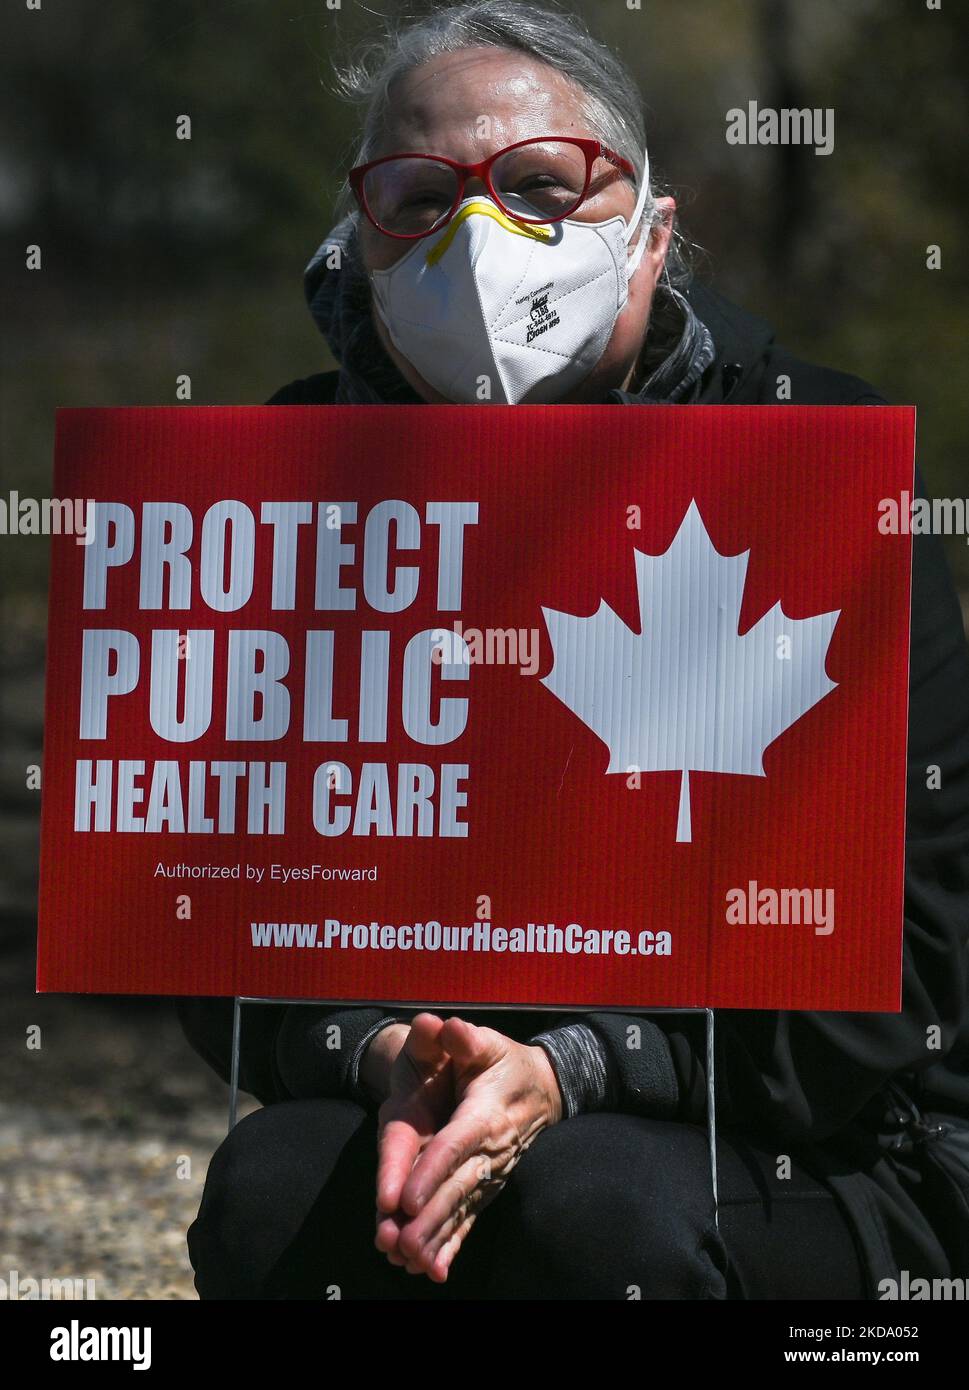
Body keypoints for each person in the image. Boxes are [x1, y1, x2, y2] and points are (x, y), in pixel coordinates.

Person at [178, 0, 969, 1300]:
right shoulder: (284, 484)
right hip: (425, 1087)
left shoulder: (821, 467)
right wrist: (389, 1054)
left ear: (651, 234)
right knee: (269, 1194)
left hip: (805, 1131)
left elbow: (904, 959)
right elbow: (209, 915)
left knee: (592, 1208)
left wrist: (572, 1071)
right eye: (421, 197)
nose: (480, 241)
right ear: (359, 239)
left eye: (543, 188)